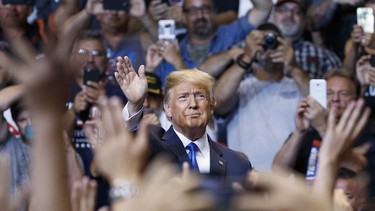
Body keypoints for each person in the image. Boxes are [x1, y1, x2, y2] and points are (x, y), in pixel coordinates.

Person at [117, 56, 251, 183]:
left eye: (200, 96)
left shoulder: (238, 164)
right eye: (183, 97)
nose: (193, 104)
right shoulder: (151, 143)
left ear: (211, 106)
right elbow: (124, 146)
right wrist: (135, 105)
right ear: (168, 108)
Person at [214, 23, 306, 171]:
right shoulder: (241, 87)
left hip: (290, 179)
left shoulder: (297, 84)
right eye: (261, 42)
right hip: (246, 179)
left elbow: (321, 108)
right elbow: (217, 100)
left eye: (274, 42)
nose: (268, 47)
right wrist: (247, 56)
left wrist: (294, 68)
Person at [154, 0, 273, 85]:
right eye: (193, 10)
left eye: (205, 9)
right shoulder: (171, 53)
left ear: (215, 12)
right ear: (183, 17)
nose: (200, 15)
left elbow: (264, 8)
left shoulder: (231, 34)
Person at [273, 70, 362, 179]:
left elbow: (358, 169)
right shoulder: (307, 134)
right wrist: (299, 132)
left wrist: (321, 126)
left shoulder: (363, 133)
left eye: (343, 93)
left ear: (356, 99)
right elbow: (278, 171)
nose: (335, 99)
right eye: (329, 93)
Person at [271, 0, 342, 79]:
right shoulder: (260, 50)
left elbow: (340, 87)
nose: (289, 14)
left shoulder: (325, 57)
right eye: (283, 10)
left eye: (296, 11)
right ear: (273, 16)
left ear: (305, 20)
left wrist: (294, 68)